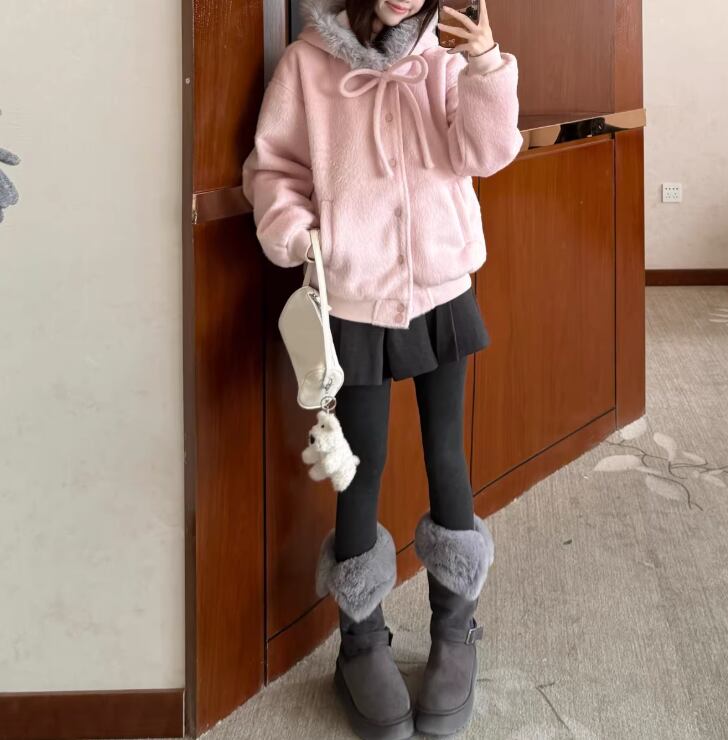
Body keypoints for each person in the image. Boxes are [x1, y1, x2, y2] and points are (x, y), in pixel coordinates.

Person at [242, 0, 522, 736]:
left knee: (447, 455)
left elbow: (487, 153)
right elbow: (273, 169)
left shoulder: (447, 54)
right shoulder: (307, 63)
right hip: (354, 296)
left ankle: (456, 629)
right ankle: (360, 641)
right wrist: (303, 236)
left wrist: (485, 65)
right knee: (358, 470)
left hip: (441, 286)